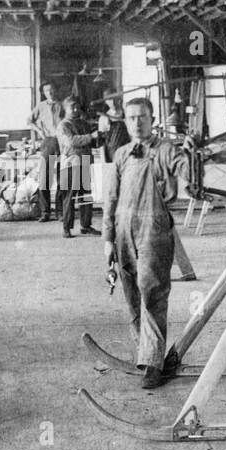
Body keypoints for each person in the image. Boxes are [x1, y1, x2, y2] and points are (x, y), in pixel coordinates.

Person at [103, 97, 196, 390]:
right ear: (126, 122)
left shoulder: (166, 150)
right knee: (131, 296)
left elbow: (186, 171)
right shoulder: (121, 154)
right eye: (131, 118)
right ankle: (143, 354)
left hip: (153, 231)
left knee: (152, 293)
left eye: (142, 117)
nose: (137, 122)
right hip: (122, 230)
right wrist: (107, 240)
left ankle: (153, 364)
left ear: (152, 119)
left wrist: (192, 155)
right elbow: (110, 199)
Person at [56, 96, 102, 238]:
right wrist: (91, 136)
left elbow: (92, 142)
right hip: (71, 163)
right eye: (72, 107)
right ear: (65, 109)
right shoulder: (63, 125)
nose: (75, 109)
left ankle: (86, 225)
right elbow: (70, 141)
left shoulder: (83, 123)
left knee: (86, 196)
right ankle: (66, 227)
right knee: (69, 197)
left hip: (86, 161)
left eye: (77, 107)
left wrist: (100, 136)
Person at [28, 82, 63, 222]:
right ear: (44, 92)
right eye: (47, 90)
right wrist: (39, 131)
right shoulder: (40, 106)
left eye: (52, 89)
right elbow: (29, 120)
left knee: (63, 177)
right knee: (45, 178)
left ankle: (60, 211)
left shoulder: (62, 105)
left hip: (61, 142)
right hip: (47, 141)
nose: (50, 92)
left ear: (56, 90)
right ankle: (45, 211)